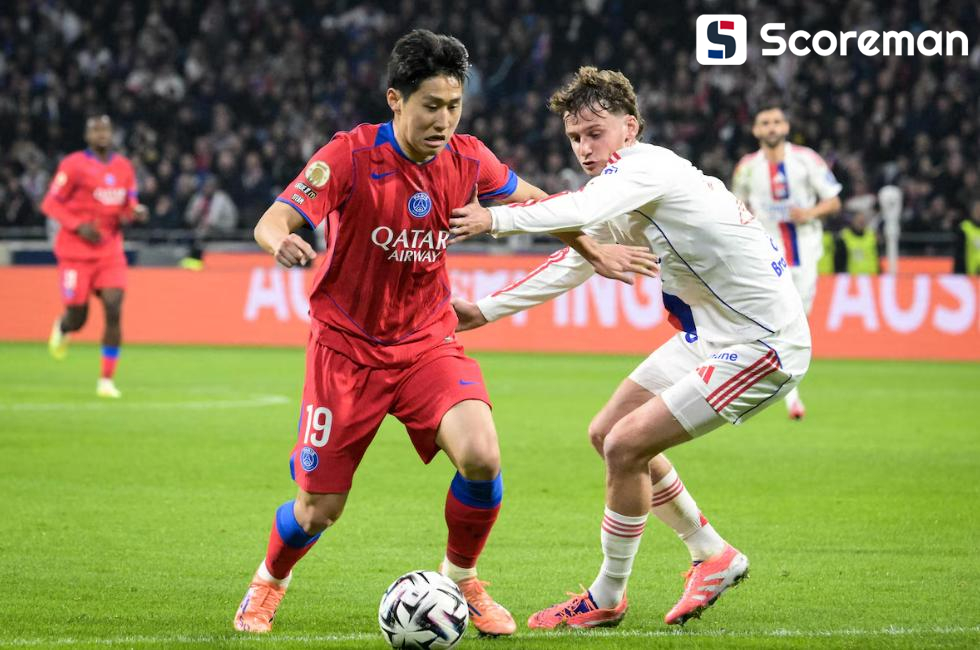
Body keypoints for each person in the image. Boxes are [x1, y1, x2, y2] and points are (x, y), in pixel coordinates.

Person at [232, 32, 651, 637]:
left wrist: (594, 251)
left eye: (454, 106)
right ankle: (269, 581)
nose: (444, 120)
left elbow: (538, 203)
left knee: (481, 456)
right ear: (396, 100)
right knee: (319, 509)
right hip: (346, 351)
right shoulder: (350, 154)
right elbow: (272, 219)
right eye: (431, 105)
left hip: (427, 340)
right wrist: (283, 242)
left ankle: (460, 579)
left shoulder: (469, 158)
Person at [449, 66, 811, 630]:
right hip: (709, 335)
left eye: (595, 133)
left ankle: (607, 595)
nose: (584, 147)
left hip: (762, 343)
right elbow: (578, 256)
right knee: (606, 434)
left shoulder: (648, 169)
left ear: (630, 127)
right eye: (574, 138)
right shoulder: (628, 190)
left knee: (624, 446)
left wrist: (493, 217)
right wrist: (487, 309)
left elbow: (580, 212)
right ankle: (711, 554)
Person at [731, 104, 840, 420]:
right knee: (779, 316)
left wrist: (809, 213)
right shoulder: (747, 168)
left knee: (798, 318)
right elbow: (736, 205)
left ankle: (781, 382)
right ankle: (790, 394)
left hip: (805, 249)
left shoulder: (807, 160)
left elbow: (833, 200)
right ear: (756, 130)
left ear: (786, 127)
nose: (772, 127)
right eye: (765, 123)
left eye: (777, 121)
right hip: (767, 251)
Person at [41, 115, 148, 398]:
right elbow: (50, 203)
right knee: (79, 316)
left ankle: (106, 380)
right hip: (75, 253)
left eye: (106, 129)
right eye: (95, 129)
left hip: (109, 250)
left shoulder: (123, 167)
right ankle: (63, 326)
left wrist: (135, 212)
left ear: (112, 134)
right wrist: (78, 225)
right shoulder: (73, 165)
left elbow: (128, 203)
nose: (102, 134)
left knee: (114, 308)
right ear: (87, 135)